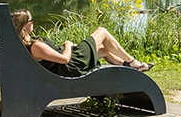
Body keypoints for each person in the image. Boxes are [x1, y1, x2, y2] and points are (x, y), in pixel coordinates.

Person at [11, 8, 153, 76]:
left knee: (103, 50)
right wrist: (67, 45)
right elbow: (64, 59)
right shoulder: (36, 47)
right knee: (102, 31)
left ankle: (130, 67)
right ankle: (132, 61)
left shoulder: (27, 43)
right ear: (24, 26)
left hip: (71, 60)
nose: (33, 23)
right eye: (31, 21)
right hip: (73, 64)